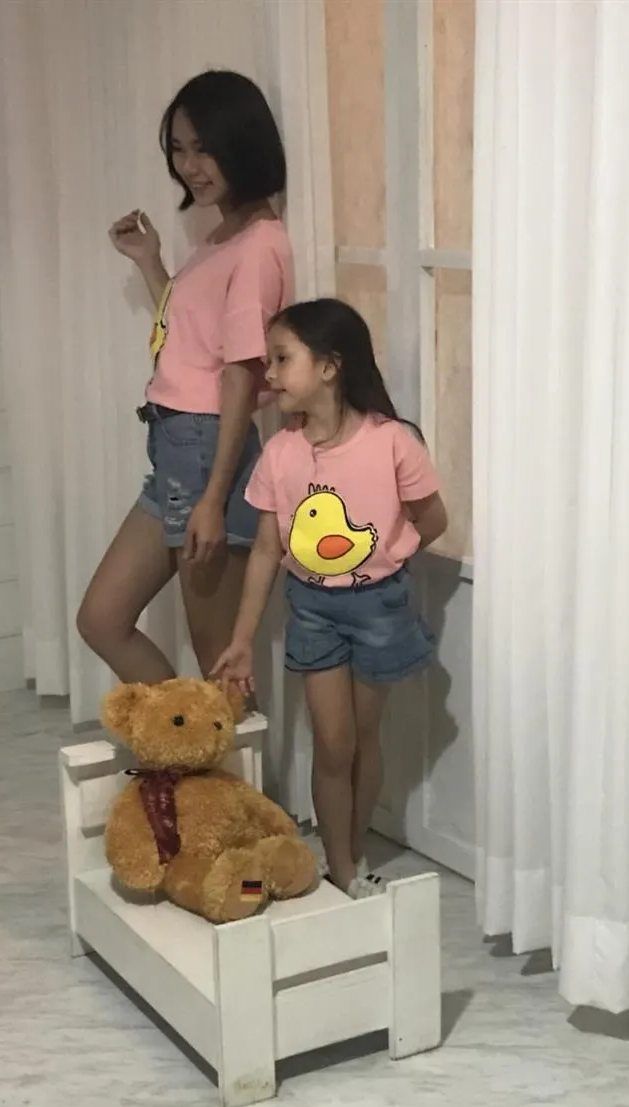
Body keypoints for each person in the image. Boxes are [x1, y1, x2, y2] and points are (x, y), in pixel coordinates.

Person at [211, 299, 448, 898]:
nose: (269, 373)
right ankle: (340, 866)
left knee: (363, 741)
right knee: (333, 744)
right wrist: (241, 639)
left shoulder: (391, 442)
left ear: (329, 366)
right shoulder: (280, 453)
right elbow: (266, 551)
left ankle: (354, 849)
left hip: (378, 609)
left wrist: (389, 553)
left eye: (281, 359)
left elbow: (434, 519)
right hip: (313, 609)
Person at [77, 70, 294, 682]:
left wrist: (213, 499)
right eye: (178, 149)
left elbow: (240, 375)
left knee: (220, 666)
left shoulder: (258, 245)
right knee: (102, 619)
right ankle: (187, 738)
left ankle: (219, 747)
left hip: (205, 452)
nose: (190, 166)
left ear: (241, 144)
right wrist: (151, 263)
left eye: (204, 148)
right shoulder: (223, 234)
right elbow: (191, 336)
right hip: (177, 448)